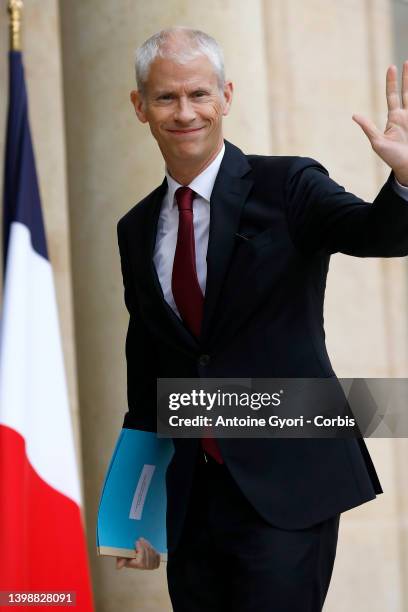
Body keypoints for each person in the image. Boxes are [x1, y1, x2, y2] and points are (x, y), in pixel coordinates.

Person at [115, 26, 408, 611]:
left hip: (289, 482)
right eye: (167, 97)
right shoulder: (136, 226)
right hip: (195, 499)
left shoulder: (288, 185)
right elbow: (148, 369)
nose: (185, 112)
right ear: (140, 106)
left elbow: (376, 233)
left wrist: (403, 180)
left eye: (199, 94)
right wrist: (129, 513)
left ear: (226, 96)